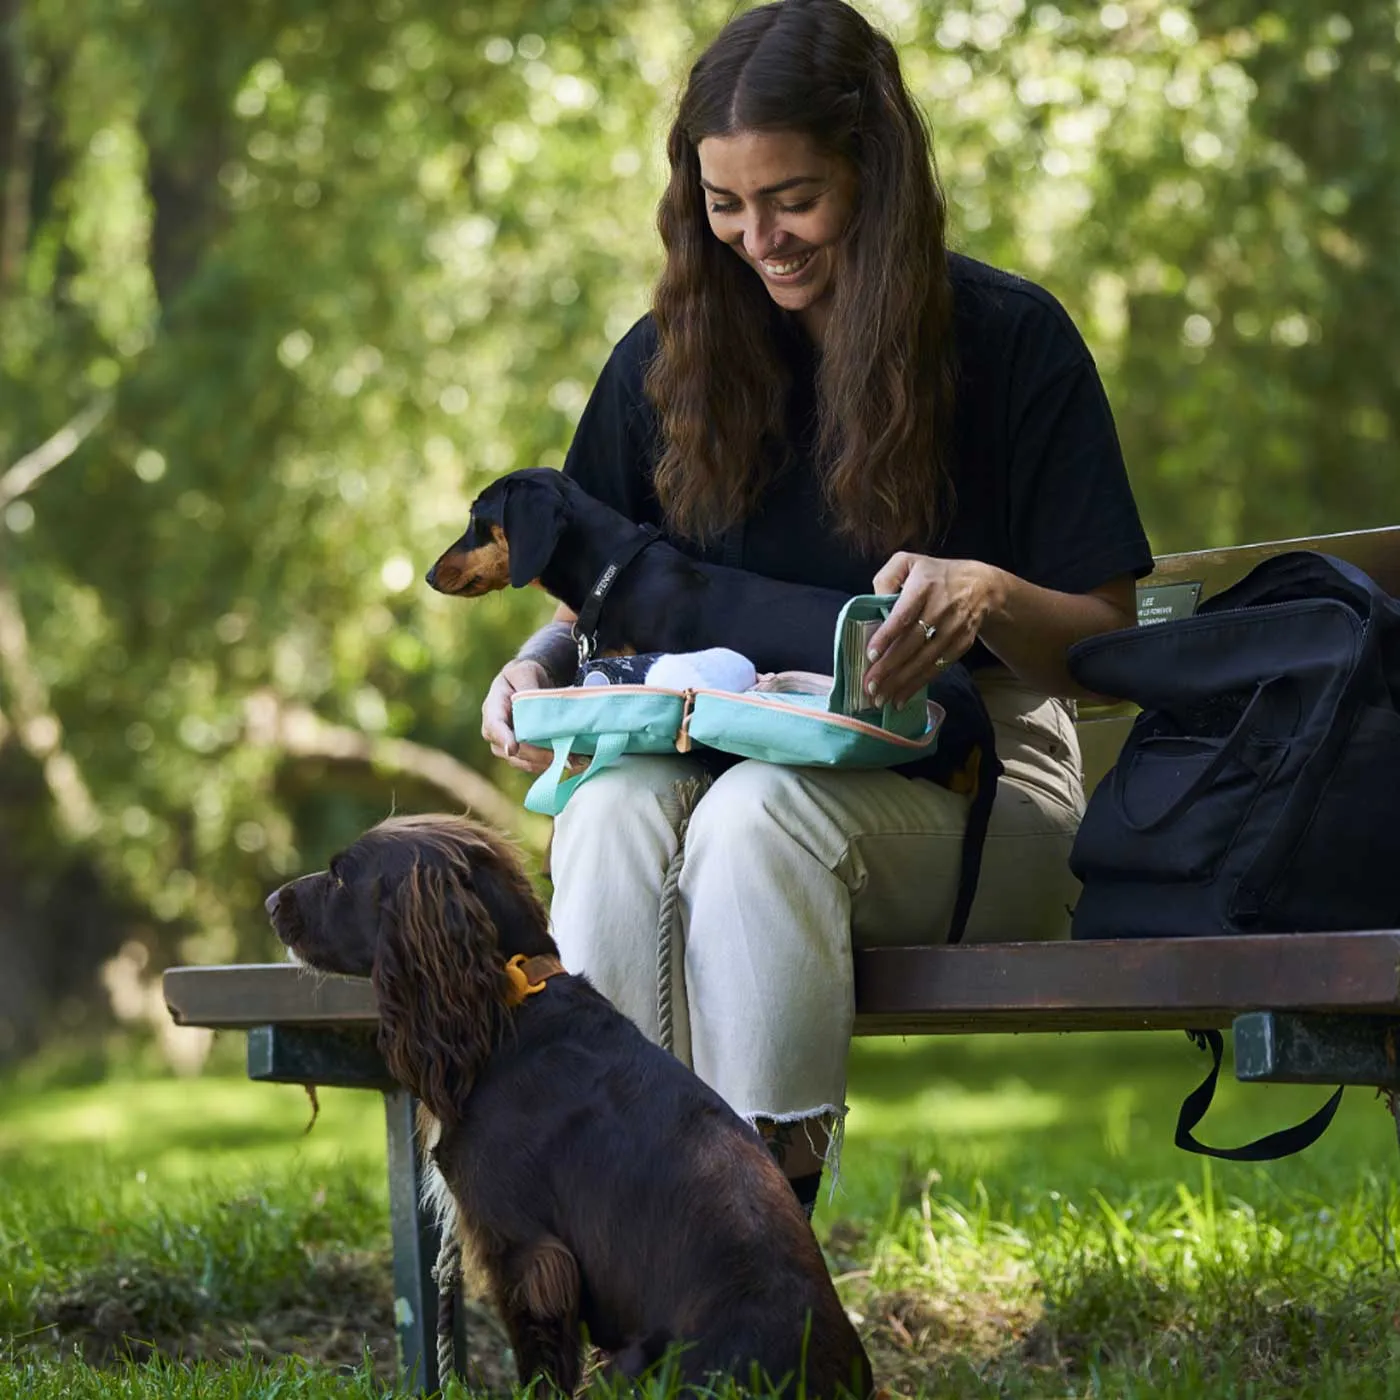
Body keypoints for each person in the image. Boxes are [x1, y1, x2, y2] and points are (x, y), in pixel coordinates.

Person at [480, 0, 1152, 1215]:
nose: (759, 239)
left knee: (754, 822)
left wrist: (988, 591)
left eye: (793, 198)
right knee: (614, 812)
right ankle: (624, 1233)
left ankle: (758, 1250)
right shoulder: (665, 362)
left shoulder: (1007, 341)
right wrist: (534, 662)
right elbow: (593, 582)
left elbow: (1108, 645)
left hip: (984, 776)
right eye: (723, 208)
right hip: (711, 752)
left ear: (873, 169)